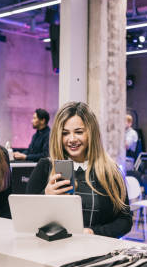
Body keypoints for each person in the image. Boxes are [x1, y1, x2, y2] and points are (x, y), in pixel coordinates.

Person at [26, 102, 132, 238]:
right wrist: (45, 195)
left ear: (91, 133)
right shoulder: (45, 167)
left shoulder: (110, 171)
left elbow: (125, 220)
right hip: (53, 253)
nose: (71, 139)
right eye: (65, 133)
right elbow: (27, 217)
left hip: (98, 253)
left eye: (79, 132)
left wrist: (93, 232)